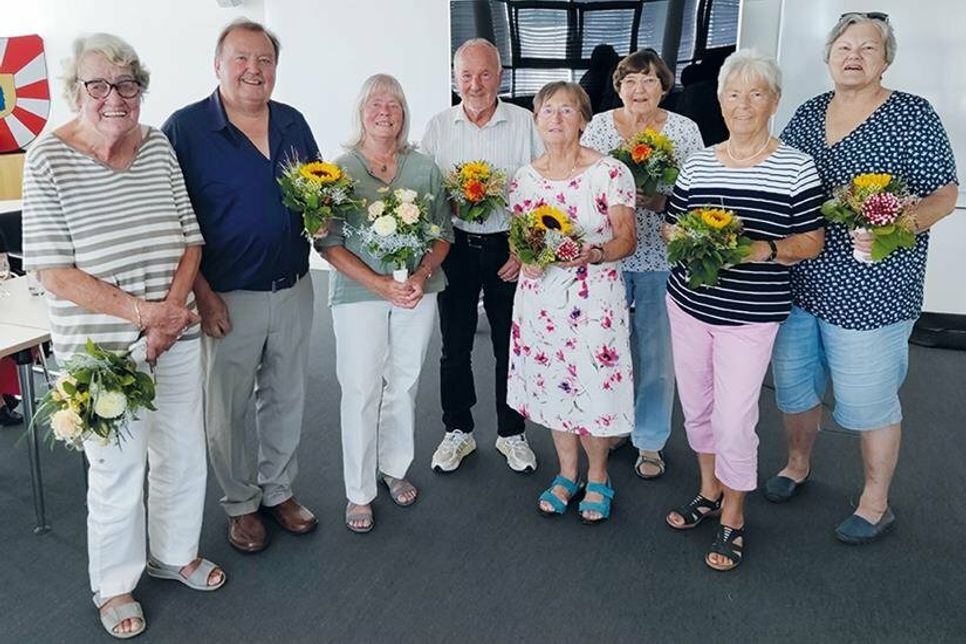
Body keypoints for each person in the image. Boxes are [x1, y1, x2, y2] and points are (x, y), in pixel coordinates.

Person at [21, 33, 225, 639]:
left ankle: (174, 552)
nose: (115, 98)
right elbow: (54, 271)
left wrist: (167, 314)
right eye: (99, 85)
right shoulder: (48, 159)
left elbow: (191, 237)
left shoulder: (158, 144)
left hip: (175, 332)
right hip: (102, 351)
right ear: (74, 92)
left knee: (183, 450)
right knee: (116, 468)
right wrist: (145, 316)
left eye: (128, 84)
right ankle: (114, 584)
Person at [764, 13, 958, 544]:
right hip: (800, 280)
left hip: (873, 289)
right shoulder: (806, 114)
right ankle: (797, 464)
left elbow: (944, 193)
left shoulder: (912, 114)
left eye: (868, 48)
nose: (854, 55)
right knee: (796, 385)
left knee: (868, 397)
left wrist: (903, 223)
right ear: (828, 56)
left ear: (885, 59)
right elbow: (777, 180)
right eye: (844, 46)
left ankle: (876, 502)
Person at [662, 50, 825, 571]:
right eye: (733, 94)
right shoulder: (700, 162)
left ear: (774, 102)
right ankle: (709, 491)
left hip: (751, 314)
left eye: (756, 94)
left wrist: (761, 250)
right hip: (688, 304)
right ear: (720, 100)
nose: (743, 104)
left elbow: (813, 240)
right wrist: (689, 238)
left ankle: (734, 514)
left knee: (735, 419)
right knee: (698, 407)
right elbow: (669, 225)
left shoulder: (795, 165)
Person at [162, 19, 319, 554]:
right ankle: (240, 504)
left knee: (287, 396)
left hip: (295, 287)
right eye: (242, 59)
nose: (254, 70)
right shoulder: (185, 129)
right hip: (227, 297)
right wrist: (202, 296)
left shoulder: (293, 122)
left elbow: (318, 194)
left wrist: (324, 220)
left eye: (266, 61)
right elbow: (173, 226)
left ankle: (278, 491)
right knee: (226, 409)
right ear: (218, 65)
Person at [317, 74, 453, 533]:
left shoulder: (423, 166)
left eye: (393, 104)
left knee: (405, 382)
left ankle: (394, 468)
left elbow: (442, 236)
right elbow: (330, 245)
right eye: (375, 103)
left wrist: (418, 276)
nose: (384, 111)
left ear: (403, 113)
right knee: (360, 389)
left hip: (416, 293)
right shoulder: (340, 169)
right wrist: (377, 283)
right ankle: (359, 491)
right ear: (361, 111)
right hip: (359, 295)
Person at [507, 81, 636, 524]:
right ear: (536, 119)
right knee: (553, 384)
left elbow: (627, 239)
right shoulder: (524, 178)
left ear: (584, 119)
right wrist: (526, 258)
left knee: (593, 385)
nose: (557, 119)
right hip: (541, 300)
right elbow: (524, 238)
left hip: (593, 298)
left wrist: (595, 253)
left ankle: (598, 476)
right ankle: (566, 473)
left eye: (567, 110)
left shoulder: (610, 172)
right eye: (548, 111)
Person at [581, 48, 704, 481]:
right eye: (630, 80)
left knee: (655, 353)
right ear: (618, 86)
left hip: (659, 257)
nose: (640, 89)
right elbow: (583, 189)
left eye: (650, 80)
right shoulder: (598, 128)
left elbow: (700, 197)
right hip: (608, 258)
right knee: (608, 350)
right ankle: (613, 427)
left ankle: (650, 440)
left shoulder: (685, 131)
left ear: (664, 87)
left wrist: (663, 200)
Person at [421, 38, 542, 474]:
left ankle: (512, 433)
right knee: (454, 346)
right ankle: (458, 430)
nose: (475, 84)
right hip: (453, 247)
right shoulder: (438, 126)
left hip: (507, 249)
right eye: (466, 75)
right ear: (455, 78)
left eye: (484, 74)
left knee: (510, 346)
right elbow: (426, 193)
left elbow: (542, 192)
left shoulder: (525, 122)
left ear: (501, 76)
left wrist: (524, 248)